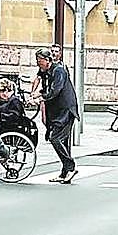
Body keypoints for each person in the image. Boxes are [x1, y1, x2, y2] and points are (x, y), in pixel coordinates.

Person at [34, 47, 79, 183]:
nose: (37, 63)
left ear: (47, 60)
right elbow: (45, 87)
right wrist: (37, 93)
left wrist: (41, 97)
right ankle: (65, 173)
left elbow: (56, 90)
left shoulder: (58, 70)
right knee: (63, 141)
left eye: (39, 60)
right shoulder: (47, 71)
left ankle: (70, 167)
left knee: (56, 139)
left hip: (66, 110)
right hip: (57, 111)